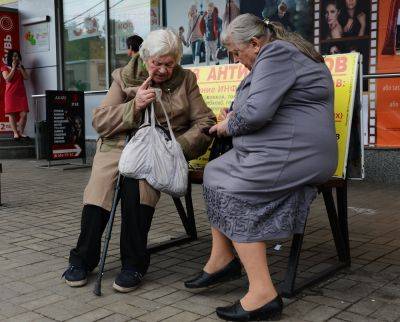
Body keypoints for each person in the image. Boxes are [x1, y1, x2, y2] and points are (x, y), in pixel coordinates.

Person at [184, 14, 338, 321]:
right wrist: (234, 112)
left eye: (238, 54)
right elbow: (262, 104)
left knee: (235, 187)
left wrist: (228, 125)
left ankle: (263, 292)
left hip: (300, 153)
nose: (238, 61)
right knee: (215, 172)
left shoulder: (277, 53)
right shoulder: (278, 53)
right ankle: (222, 258)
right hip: (284, 148)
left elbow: (256, 114)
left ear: (254, 44)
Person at [63, 29, 216, 292]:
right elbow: (100, 121)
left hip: (158, 151)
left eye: (169, 64)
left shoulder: (186, 80)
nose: (163, 70)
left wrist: (175, 148)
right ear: (145, 57)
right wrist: (133, 107)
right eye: (157, 63)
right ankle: (83, 258)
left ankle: (133, 264)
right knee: (99, 194)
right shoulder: (124, 77)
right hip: (117, 147)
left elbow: (205, 121)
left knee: (138, 192)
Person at [1, 50, 29, 140]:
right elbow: (7, 79)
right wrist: (13, 68)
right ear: (10, 58)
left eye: (17, 56)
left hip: (21, 94)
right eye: (13, 56)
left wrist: (20, 67)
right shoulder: (5, 68)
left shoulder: (21, 67)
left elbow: (26, 77)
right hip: (10, 94)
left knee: (24, 114)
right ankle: (15, 133)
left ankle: (21, 132)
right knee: (11, 114)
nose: (15, 58)